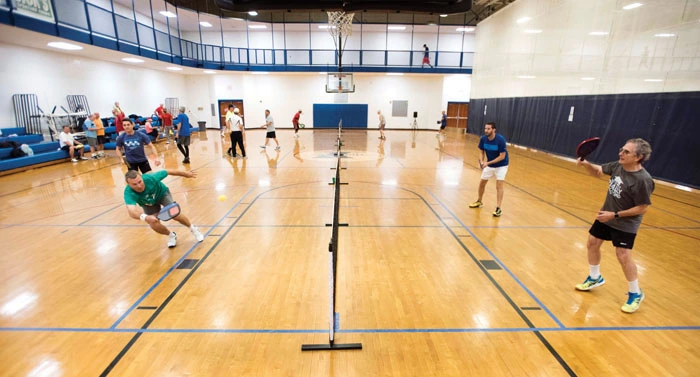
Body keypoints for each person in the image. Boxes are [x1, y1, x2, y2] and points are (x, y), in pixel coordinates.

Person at [575, 138, 654, 314]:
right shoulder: (618, 166)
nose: (621, 153)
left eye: (626, 152)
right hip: (607, 215)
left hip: (625, 221)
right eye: (621, 149)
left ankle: (635, 293)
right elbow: (598, 172)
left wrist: (615, 215)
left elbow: (643, 208)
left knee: (623, 255)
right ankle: (595, 277)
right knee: (593, 242)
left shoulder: (642, 180)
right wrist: (586, 164)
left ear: (638, 157)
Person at [124, 169, 204, 248]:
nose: (139, 186)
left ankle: (193, 228)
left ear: (142, 178)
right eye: (134, 184)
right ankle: (171, 235)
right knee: (153, 223)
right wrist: (146, 217)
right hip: (148, 204)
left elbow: (168, 171)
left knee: (174, 213)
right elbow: (132, 211)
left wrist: (185, 174)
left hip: (162, 194)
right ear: (128, 184)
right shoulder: (128, 193)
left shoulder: (151, 178)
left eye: (140, 182)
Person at [468, 122, 509, 217]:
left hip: (501, 165)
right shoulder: (483, 139)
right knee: (482, 183)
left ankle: (498, 208)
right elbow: (481, 151)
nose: (486, 130)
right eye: (485, 128)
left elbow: (502, 156)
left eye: (489, 129)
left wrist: (487, 163)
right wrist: (481, 161)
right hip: (489, 164)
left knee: (499, 185)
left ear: (494, 130)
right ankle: (479, 201)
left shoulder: (500, 140)